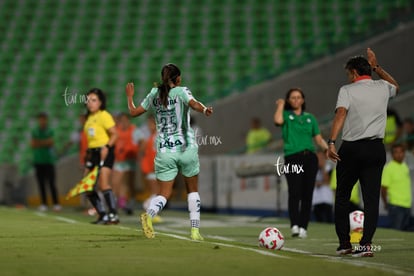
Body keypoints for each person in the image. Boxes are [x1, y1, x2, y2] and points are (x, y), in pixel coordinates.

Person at [125, 63, 213, 240]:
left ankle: (149, 215)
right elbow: (194, 104)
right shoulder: (181, 91)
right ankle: (195, 231)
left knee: (164, 194)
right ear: (178, 78)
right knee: (192, 190)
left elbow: (134, 112)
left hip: (165, 150)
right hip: (185, 147)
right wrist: (204, 109)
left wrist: (130, 97)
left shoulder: (153, 94)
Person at [327, 48, 399, 257]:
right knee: (371, 199)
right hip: (376, 148)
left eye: (349, 74)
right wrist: (378, 67)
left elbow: (341, 113)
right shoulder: (383, 87)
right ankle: (365, 245)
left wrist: (331, 141)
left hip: (352, 149)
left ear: (355, 73)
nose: (348, 77)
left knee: (342, 196)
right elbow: (396, 86)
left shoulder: (347, 90)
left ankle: (345, 244)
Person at [274, 88, 329, 238]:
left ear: (303, 100)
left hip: (310, 157)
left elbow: (318, 139)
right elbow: (277, 121)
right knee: (295, 192)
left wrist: (327, 149)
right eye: (293, 98)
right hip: (292, 157)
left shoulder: (310, 118)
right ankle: (295, 225)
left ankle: (304, 226)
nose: (296, 100)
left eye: (299, 97)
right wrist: (280, 105)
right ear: (288, 100)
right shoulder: (285, 115)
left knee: (307, 193)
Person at [84, 88, 119, 224]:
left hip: (105, 152)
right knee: (87, 187)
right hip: (93, 153)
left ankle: (113, 215)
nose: (90, 103)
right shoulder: (89, 118)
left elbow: (115, 134)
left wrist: (107, 147)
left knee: (104, 184)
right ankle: (102, 214)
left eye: (94, 100)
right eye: (88, 100)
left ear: (100, 102)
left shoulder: (104, 115)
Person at [30, 112, 61, 212]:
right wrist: (44, 142)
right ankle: (44, 204)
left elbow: (51, 142)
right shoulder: (35, 131)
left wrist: (40, 142)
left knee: (51, 183)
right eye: (40, 119)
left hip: (49, 160)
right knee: (41, 183)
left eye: (43, 119)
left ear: (46, 120)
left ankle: (56, 204)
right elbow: (33, 144)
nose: (42, 121)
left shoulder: (50, 130)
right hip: (38, 160)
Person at [381, 144, 413, 231]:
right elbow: (383, 188)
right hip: (396, 206)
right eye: (396, 152)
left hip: (407, 205)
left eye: (401, 152)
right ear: (392, 154)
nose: (399, 154)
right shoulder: (389, 168)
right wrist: (386, 203)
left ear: (404, 153)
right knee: (396, 232)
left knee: (405, 234)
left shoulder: (405, 167)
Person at [112, 112, 138, 215]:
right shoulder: (116, 130)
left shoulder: (134, 130)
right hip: (119, 160)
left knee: (128, 183)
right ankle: (115, 204)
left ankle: (129, 202)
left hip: (129, 160)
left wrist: (135, 152)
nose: (123, 123)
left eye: (125, 121)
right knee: (116, 182)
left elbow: (141, 142)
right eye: (121, 121)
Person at [141, 115, 162, 222]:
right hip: (152, 167)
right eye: (149, 124)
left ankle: (150, 211)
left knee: (158, 192)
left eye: (151, 124)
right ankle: (149, 210)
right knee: (157, 192)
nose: (149, 127)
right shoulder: (154, 137)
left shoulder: (155, 137)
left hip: (153, 167)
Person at [312, 150, 334, 223]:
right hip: (316, 198)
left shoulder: (328, 167)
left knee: (328, 219)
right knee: (318, 219)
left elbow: (327, 180)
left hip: (326, 198)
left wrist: (323, 166)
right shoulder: (313, 168)